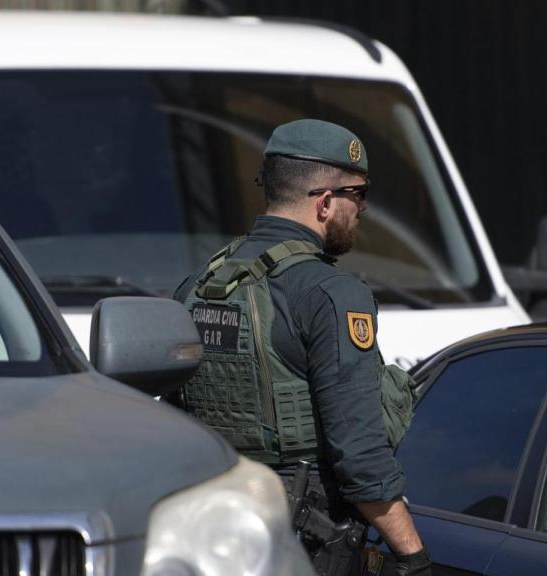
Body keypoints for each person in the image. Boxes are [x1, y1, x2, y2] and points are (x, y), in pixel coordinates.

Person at [173, 119, 431, 576]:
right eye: (359, 194)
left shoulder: (198, 286)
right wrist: (413, 556)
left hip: (212, 532)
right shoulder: (331, 293)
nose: (363, 208)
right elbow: (359, 454)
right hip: (301, 543)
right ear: (326, 203)